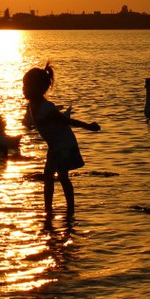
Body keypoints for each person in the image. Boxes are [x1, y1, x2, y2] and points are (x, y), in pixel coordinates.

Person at [22, 62, 100, 218]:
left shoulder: (46, 108)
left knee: (59, 176)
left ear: (37, 89)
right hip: (55, 145)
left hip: (64, 144)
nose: (24, 89)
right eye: (24, 86)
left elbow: (67, 121)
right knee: (50, 176)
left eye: (27, 86)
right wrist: (28, 124)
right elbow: (28, 120)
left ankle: (66, 210)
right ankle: (50, 210)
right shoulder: (31, 105)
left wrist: (88, 126)